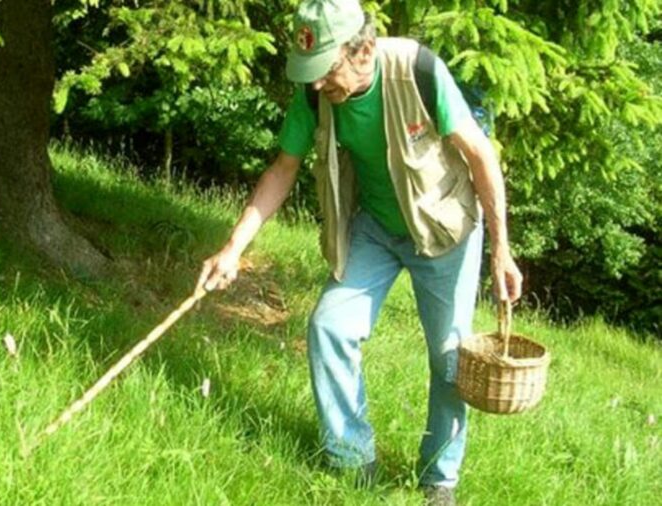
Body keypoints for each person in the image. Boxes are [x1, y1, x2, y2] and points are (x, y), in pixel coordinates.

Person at [195, 0, 523, 504]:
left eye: (326, 71)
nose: (318, 85)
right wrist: (233, 249)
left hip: (445, 232)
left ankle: (440, 480)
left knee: (451, 361)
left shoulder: (418, 70)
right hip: (375, 229)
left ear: (364, 50)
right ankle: (353, 462)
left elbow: (481, 156)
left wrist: (501, 250)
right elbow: (283, 169)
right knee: (328, 326)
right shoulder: (315, 94)